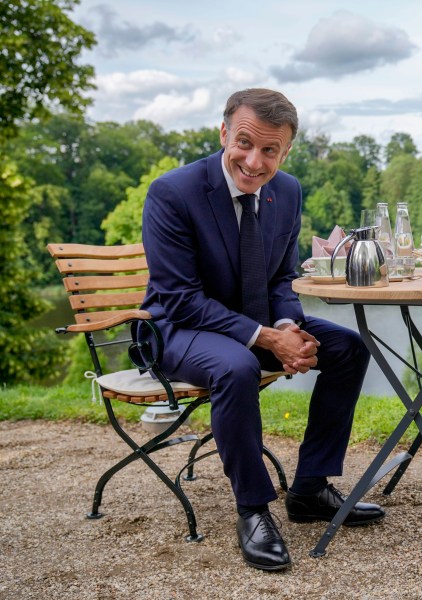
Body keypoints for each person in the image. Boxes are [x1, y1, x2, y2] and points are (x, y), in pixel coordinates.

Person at [141, 88, 384, 572]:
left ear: (286, 151)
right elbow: (180, 299)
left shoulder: (287, 191)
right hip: (180, 328)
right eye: (245, 143)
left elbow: (279, 278)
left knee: (348, 347)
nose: (254, 161)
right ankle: (253, 510)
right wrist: (266, 338)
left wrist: (289, 325)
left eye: (270, 150)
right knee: (236, 366)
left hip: (254, 320)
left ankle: (310, 488)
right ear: (224, 133)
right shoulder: (172, 192)